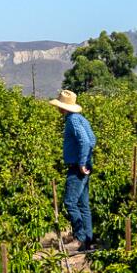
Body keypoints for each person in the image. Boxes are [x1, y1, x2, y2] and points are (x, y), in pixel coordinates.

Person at [50, 89, 96, 249]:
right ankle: (88, 239)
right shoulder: (81, 119)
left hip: (77, 167)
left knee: (70, 202)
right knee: (83, 204)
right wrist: (87, 161)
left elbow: (85, 141)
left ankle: (80, 237)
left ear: (63, 107)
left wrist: (82, 162)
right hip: (83, 165)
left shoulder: (72, 120)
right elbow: (92, 140)